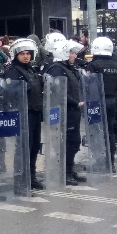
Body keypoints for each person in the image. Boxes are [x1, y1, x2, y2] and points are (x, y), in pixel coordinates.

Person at [46, 39, 88, 185]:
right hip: (65, 111)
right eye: (71, 52)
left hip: (73, 111)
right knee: (69, 142)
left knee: (74, 141)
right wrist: (76, 102)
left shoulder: (70, 68)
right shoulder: (57, 68)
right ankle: (65, 172)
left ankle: (69, 169)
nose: (74, 55)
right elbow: (59, 91)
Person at [6, 38, 45, 191]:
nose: (26, 56)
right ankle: (19, 180)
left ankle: (31, 176)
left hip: (35, 112)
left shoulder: (31, 70)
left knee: (34, 146)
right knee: (23, 148)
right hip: (23, 114)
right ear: (16, 55)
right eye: (22, 54)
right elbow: (10, 92)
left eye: (28, 53)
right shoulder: (12, 71)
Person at [86, 37, 117, 166]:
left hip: (96, 102)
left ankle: (99, 161)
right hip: (112, 101)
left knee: (96, 131)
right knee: (110, 132)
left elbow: (88, 84)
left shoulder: (93, 65)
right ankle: (110, 162)